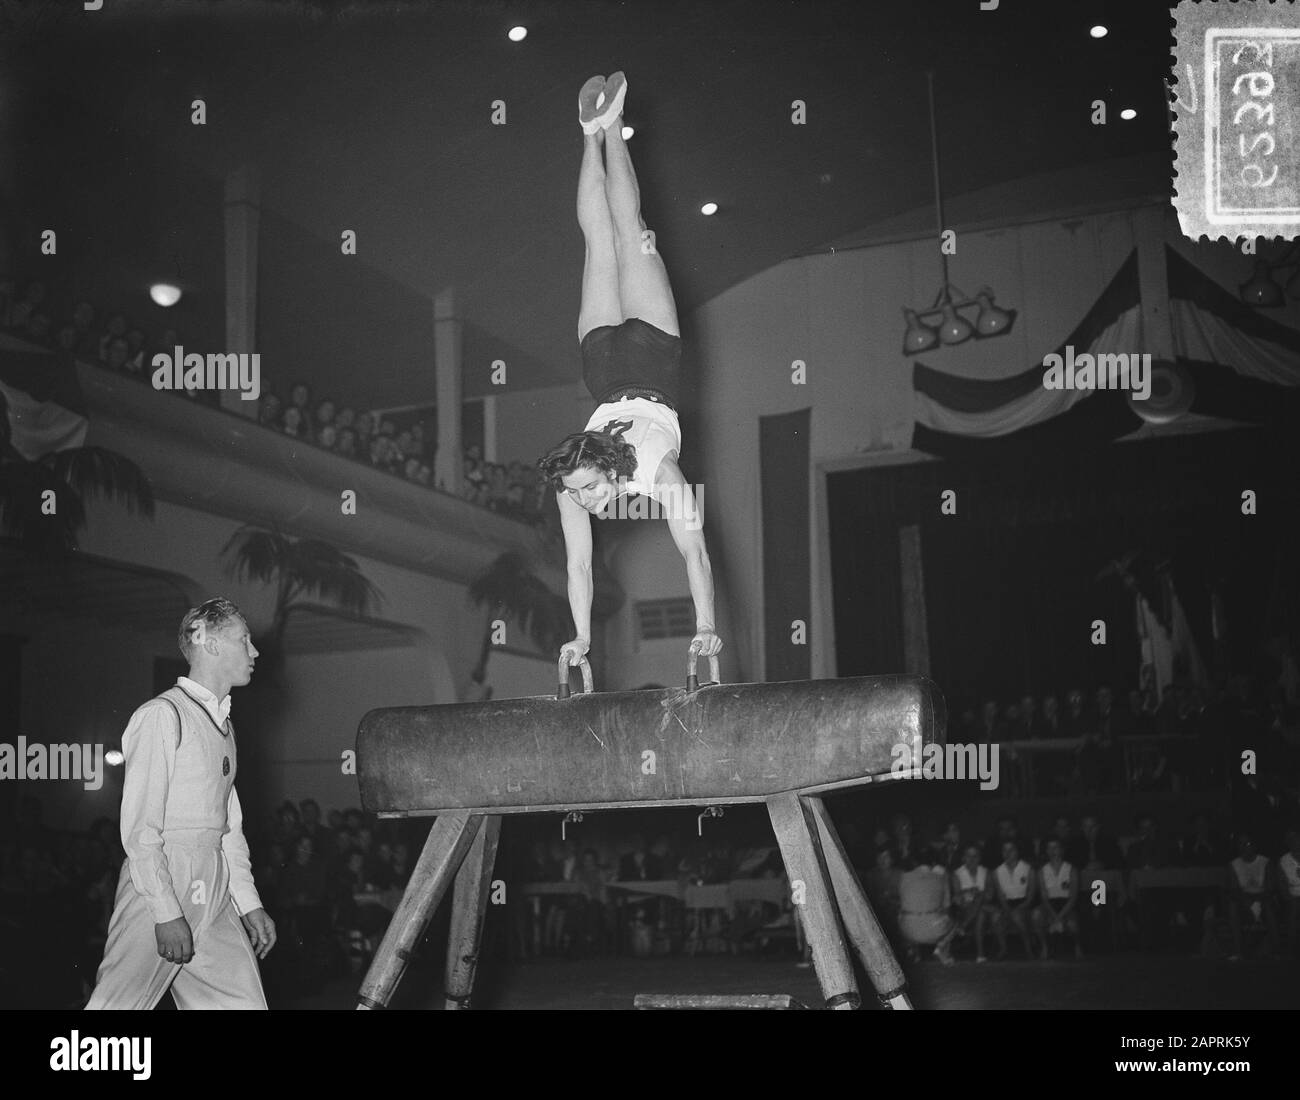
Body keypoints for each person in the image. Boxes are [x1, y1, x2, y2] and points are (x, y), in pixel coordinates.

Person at [537, 72, 722, 671]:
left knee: (609, 235)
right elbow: (689, 550)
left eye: (585, 489)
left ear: (597, 462)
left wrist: (583, 636)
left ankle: (603, 129)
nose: (586, 501)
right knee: (616, 235)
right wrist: (703, 626)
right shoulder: (653, 470)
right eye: (581, 493)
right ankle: (597, 130)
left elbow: (587, 564)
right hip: (620, 354)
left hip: (627, 355)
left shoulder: (632, 473)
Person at [85, 598, 276, 1009]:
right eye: (244, 640)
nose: (254, 651)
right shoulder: (162, 715)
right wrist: (165, 910)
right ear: (210, 645)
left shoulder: (224, 728)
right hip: (163, 878)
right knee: (117, 1008)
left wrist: (249, 901)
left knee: (244, 1004)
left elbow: (228, 829)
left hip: (214, 883)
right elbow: (140, 829)